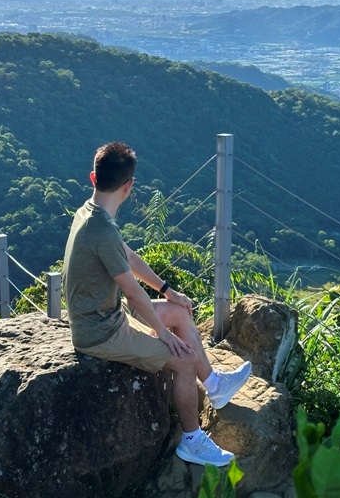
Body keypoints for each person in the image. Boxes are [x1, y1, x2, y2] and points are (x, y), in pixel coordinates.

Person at [62, 141, 252, 467]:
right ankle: (192, 441)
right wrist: (162, 333)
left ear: (93, 178)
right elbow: (133, 292)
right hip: (100, 332)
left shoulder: (90, 212)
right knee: (183, 359)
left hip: (108, 314)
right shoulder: (101, 228)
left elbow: (128, 257)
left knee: (179, 312)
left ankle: (214, 385)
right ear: (129, 186)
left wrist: (168, 292)